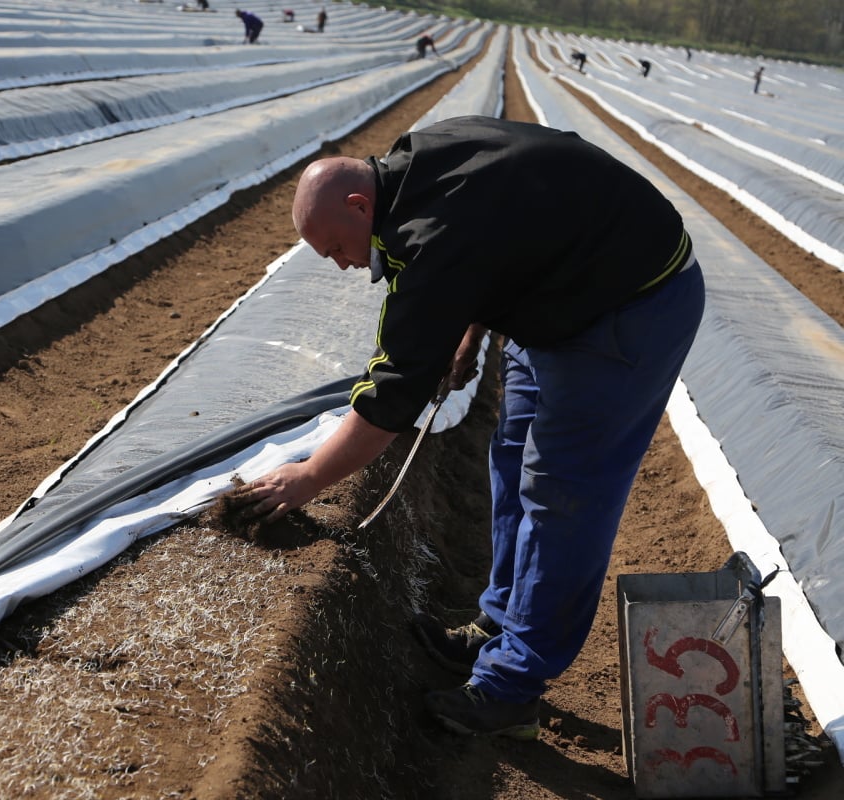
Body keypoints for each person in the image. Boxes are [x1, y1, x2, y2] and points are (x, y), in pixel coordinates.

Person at [234, 116, 704, 740]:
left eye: (336, 248)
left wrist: (312, 475)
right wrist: (472, 327)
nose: (343, 265)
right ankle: (501, 622)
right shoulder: (415, 164)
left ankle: (512, 687)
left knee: (563, 494)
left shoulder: (431, 237)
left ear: (358, 204)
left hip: (628, 307)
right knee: (510, 455)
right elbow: (501, 224)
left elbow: (394, 392)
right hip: (560, 291)